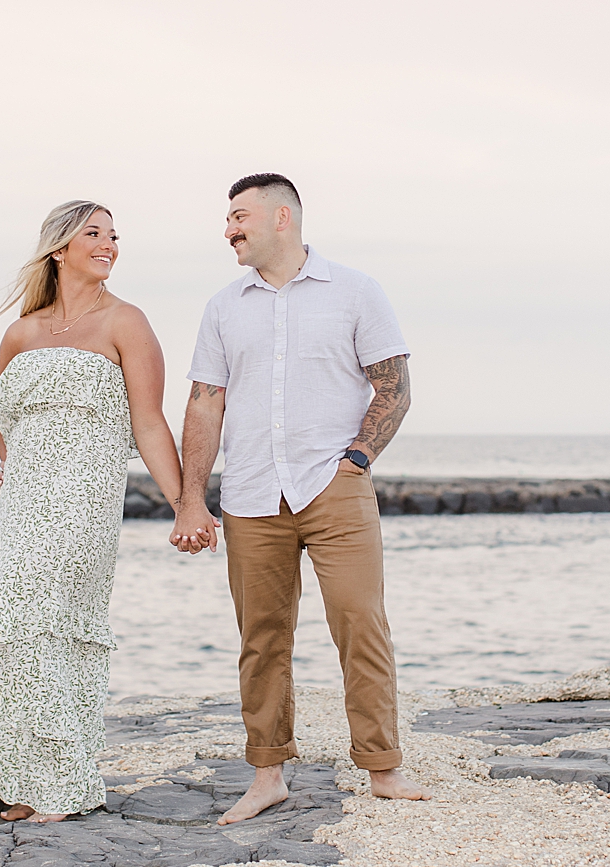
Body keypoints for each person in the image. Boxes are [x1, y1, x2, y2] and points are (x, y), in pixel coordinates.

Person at [172, 173, 431, 823]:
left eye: (239, 217)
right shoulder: (224, 306)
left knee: (359, 623)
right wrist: (189, 500)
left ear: (281, 217)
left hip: (333, 487)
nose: (228, 229)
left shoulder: (355, 291)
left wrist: (357, 461)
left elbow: (393, 387)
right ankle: (267, 776)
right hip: (252, 493)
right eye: (227, 219)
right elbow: (205, 403)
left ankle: (383, 768)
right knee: (261, 639)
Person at [0, 200, 184, 823]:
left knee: (55, 622)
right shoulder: (21, 332)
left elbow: (149, 422)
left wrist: (187, 504)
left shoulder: (127, 322)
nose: (109, 245)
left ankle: (66, 783)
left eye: (114, 236)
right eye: (93, 234)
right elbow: (4, 418)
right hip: (23, 509)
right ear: (59, 248)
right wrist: (17, 468)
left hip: (84, 503)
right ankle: (19, 783)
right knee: (14, 629)